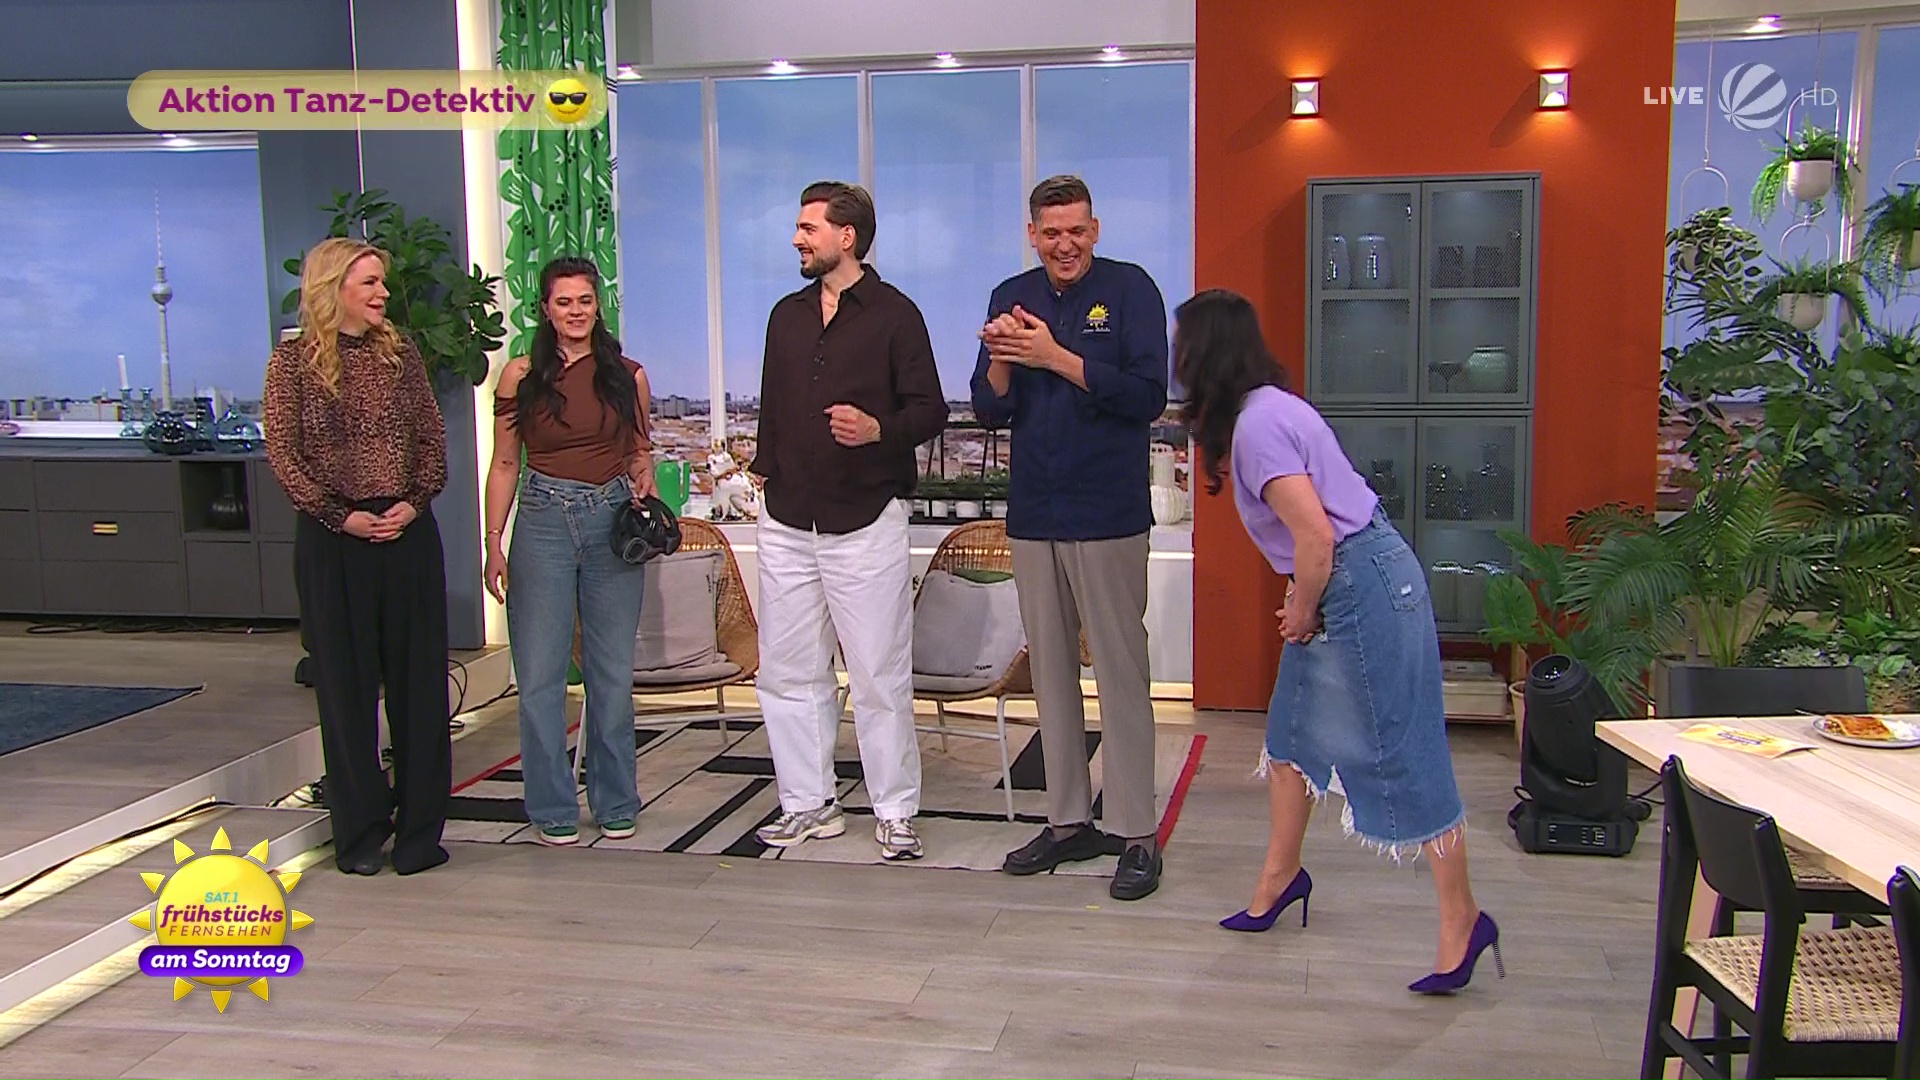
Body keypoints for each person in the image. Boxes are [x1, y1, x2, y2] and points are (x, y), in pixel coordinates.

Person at [1174, 288, 1500, 995]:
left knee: (1402, 749)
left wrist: (1300, 608)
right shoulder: (1271, 408)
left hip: (1356, 584)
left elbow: (1318, 538)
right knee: (1292, 734)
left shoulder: (1257, 428)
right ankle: (1280, 876)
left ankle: (1463, 917)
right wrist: (1305, 597)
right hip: (1355, 575)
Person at [971, 175, 1168, 901]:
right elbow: (989, 409)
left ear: (1096, 229)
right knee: (1050, 675)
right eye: (1051, 233)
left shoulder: (1130, 290)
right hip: (1035, 513)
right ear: (1032, 234)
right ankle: (1066, 822)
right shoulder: (1010, 294)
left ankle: (1137, 833)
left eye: (1077, 231)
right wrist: (1000, 354)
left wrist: (1055, 357)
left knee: (1121, 674)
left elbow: (1146, 396)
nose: (1065, 244)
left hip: (1108, 513)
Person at [749, 181, 949, 861]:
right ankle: (808, 805)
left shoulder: (896, 316)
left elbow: (930, 411)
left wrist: (876, 430)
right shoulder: (785, 317)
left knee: (877, 675)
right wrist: (763, 471)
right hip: (786, 520)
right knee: (787, 673)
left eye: (809, 228)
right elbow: (773, 407)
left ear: (847, 237)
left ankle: (894, 811)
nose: (797, 239)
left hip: (865, 521)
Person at [264, 236, 452, 876]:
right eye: (369, 282)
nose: (382, 293)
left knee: (419, 690)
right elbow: (284, 454)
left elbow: (432, 442)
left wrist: (414, 502)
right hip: (333, 540)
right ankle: (361, 833)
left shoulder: (401, 356)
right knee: (345, 693)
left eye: (381, 282)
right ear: (332, 288)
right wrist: (338, 515)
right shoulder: (292, 364)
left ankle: (420, 834)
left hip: (406, 535)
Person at [483, 256, 655, 846]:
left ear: (597, 306)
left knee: (612, 674)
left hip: (610, 520)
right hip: (542, 522)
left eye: (585, 300)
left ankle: (616, 800)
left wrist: (643, 473)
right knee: (539, 676)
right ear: (546, 310)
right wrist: (493, 542)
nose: (576, 311)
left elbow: (638, 451)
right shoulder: (520, 376)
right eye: (564, 302)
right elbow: (505, 463)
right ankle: (552, 805)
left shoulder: (628, 376)